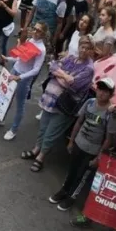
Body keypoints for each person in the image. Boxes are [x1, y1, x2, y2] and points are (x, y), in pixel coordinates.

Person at [21, 37, 96, 172]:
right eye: (82, 47)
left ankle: (41, 157)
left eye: (87, 48)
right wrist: (65, 76)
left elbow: (74, 85)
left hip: (64, 106)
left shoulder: (89, 68)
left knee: (51, 132)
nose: (83, 50)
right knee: (43, 127)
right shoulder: (71, 58)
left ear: (91, 51)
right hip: (50, 100)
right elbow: (53, 66)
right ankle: (36, 149)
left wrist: (60, 75)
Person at [50, 78, 116, 211]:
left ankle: (72, 197)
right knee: (72, 170)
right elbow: (79, 122)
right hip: (78, 144)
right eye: (100, 89)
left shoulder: (111, 114)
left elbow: (108, 139)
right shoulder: (90, 103)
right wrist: (71, 141)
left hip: (92, 151)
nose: (101, 93)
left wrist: (98, 157)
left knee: (82, 176)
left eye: (105, 91)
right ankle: (64, 190)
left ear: (111, 94)